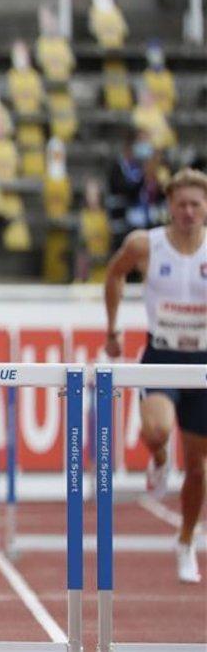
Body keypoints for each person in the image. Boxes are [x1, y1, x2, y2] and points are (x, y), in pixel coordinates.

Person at [103, 168, 206, 584]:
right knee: (158, 429)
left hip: (203, 364)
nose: (187, 211)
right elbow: (112, 274)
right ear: (169, 206)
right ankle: (160, 458)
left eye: (195, 204)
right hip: (161, 354)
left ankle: (185, 541)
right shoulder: (146, 244)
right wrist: (112, 328)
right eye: (180, 204)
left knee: (198, 469)